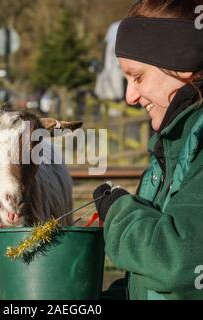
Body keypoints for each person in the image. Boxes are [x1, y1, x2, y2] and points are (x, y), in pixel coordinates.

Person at [93, 0, 203, 300]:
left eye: (137, 76)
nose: (129, 96)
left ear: (181, 66)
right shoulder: (169, 148)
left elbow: (181, 262)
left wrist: (120, 212)